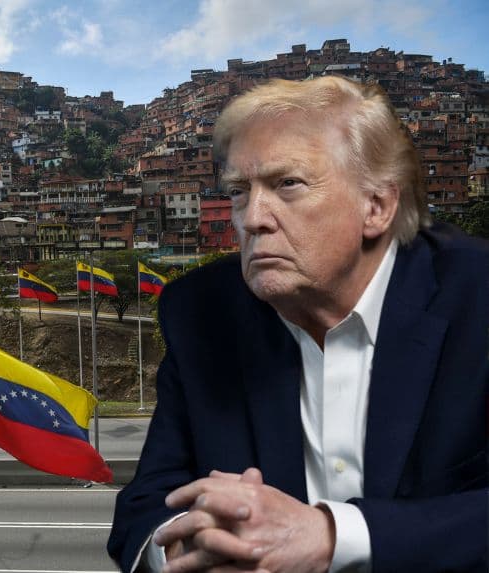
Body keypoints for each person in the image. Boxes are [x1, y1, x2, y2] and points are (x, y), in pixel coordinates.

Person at [107, 75, 488, 573]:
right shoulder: (201, 311)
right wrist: (189, 548)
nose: (252, 219)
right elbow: (144, 509)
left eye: (288, 184)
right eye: (239, 191)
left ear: (376, 207)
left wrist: (332, 536)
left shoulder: (477, 297)